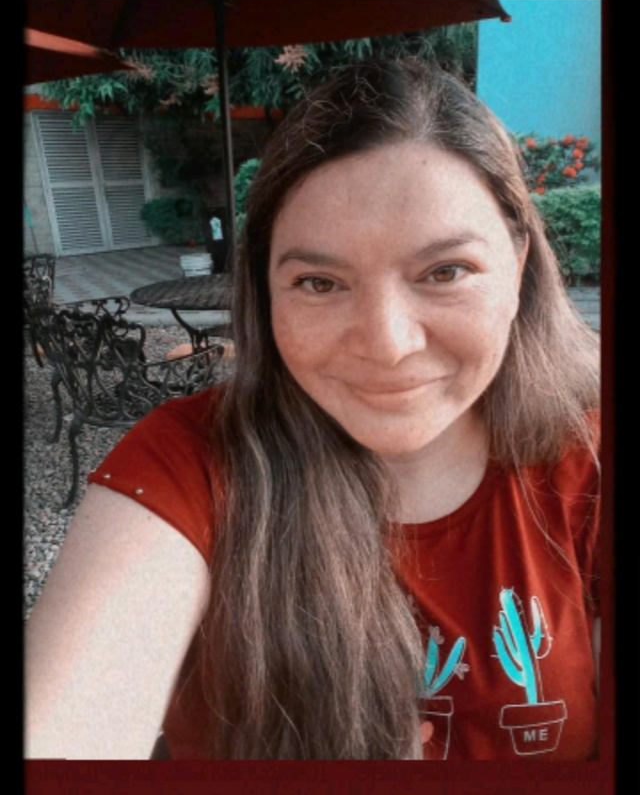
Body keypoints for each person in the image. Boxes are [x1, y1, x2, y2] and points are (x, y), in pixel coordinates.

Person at [25, 58, 600, 761]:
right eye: (320, 282)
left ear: (518, 264)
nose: (387, 344)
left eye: (445, 271)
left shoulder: (590, 453)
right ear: (266, 290)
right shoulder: (190, 464)